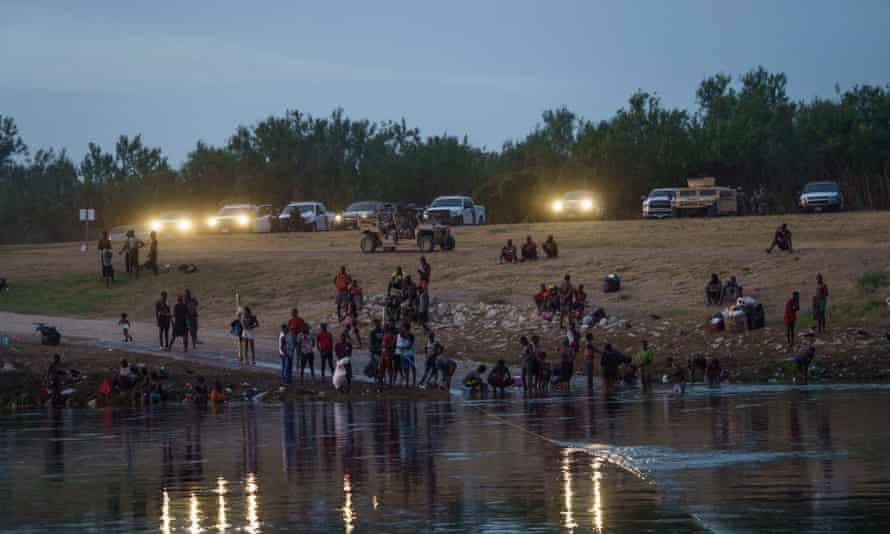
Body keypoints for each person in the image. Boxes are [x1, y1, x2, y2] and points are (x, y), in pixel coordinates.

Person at [396, 323, 416, 387]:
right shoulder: (401, 334)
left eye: (403, 327)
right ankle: (407, 383)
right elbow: (400, 338)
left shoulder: (410, 335)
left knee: (413, 368)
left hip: (410, 354)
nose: (402, 329)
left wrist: (401, 347)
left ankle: (413, 382)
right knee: (406, 369)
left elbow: (410, 345)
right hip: (403, 354)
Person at [368, 318, 385, 383]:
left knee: (381, 365)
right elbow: (371, 343)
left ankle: (380, 378)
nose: (378, 325)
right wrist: (372, 350)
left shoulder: (382, 331)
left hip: (381, 351)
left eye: (378, 323)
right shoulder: (373, 332)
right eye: (376, 323)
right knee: (375, 365)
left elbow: (383, 341)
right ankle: (376, 378)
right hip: (375, 351)